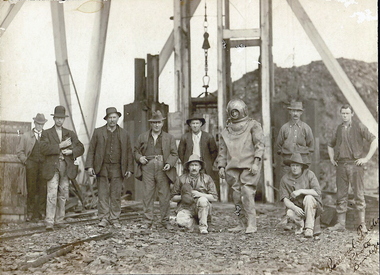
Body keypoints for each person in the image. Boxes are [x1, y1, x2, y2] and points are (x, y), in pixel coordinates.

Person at [327, 104, 377, 233]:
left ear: (352, 114)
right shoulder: (338, 129)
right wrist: (332, 158)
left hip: (355, 165)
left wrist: (366, 158)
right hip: (341, 165)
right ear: (340, 114)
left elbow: (374, 140)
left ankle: (362, 225)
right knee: (341, 195)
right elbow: (330, 145)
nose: (345, 115)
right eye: (343, 113)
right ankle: (340, 224)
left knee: (359, 195)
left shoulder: (359, 127)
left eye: (347, 113)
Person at [217, 99, 264, 234]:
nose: (234, 113)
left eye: (237, 111)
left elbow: (259, 145)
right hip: (232, 167)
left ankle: (251, 223)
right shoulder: (226, 130)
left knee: (247, 193)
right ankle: (241, 222)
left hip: (249, 165)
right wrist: (221, 166)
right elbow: (222, 150)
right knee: (236, 196)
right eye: (232, 111)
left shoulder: (253, 125)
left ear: (243, 110)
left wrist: (256, 162)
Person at [85, 107, 133, 228]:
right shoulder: (98, 132)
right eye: (110, 117)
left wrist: (129, 169)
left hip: (118, 167)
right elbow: (91, 150)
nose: (112, 120)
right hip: (102, 167)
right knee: (103, 194)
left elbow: (128, 152)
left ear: (117, 118)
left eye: (114, 117)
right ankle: (104, 218)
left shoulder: (124, 134)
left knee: (116, 194)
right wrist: (90, 166)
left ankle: (115, 218)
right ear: (106, 119)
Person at [40, 106, 84, 230]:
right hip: (52, 167)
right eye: (57, 118)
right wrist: (60, 146)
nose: (59, 121)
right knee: (51, 193)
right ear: (54, 118)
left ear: (64, 119)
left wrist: (71, 152)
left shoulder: (70, 133)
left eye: (61, 118)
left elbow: (81, 147)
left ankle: (59, 220)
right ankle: (49, 221)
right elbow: (42, 149)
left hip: (65, 167)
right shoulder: (46, 133)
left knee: (63, 193)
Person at [134, 110, 178, 230]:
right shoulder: (143, 136)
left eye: (158, 122)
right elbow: (135, 151)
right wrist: (140, 158)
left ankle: (165, 221)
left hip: (163, 167)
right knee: (148, 194)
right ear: (151, 124)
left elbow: (174, 154)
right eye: (154, 122)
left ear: (162, 123)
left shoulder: (169, 138)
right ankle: (148, 221)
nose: (156, 125)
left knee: (164, 195)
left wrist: (169, 163)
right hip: (148, 166)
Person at [171, 154, 218, 234]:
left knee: (202, 200)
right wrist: (184, 197)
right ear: (188, 167)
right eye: (192, 165)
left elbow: (214, 197)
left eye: (196, 165)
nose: (194, 168)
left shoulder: (207, 178)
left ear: (200, 167)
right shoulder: (181, 179)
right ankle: (194, 224)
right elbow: (173, 197)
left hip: (202, 207)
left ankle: (203, 227)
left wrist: (200, 194)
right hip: (185, 207)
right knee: (181, 221)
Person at [279, 153, 323, 238]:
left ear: (301, 166)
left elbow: (317, 192)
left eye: (297, 165)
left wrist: (301, 191)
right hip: (298, 208)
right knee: (289, 212)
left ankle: (309, 228)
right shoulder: (285, 179)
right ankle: (300, 224)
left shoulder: (309, 174)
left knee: (308, 197)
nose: (294, 168)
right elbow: (285, 199)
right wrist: (294, 208)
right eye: (292, 165)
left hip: (313, 207)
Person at [16, 113, 48, 222]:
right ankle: (30, 213)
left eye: (42, 124)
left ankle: (41, 213)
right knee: (31, 189)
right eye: (38, 124)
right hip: (31, 166)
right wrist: (26, 161)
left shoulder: (46, 136)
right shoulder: (26, 136)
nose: (40, 126)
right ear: (35, 123)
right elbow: (19, 152)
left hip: (43, 166)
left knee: (43, 189)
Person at [178, 114, 218, 179]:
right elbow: (180, 152)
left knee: (205, 184)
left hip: (204, 166)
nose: (195, 125)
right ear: (190, 125)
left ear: (201, 124)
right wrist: (186, 163)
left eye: (197, 123)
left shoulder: (208, 137)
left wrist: (208, 162)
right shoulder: (185, 137)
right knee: (189, 185)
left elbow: (214, 152)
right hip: (190, 166)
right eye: (193, 123)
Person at [276, 101, 314, 169]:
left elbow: (311, 147)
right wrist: (286, 156)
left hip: (302, 162)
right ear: (290, 112)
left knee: (302, 179)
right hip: (287, 162)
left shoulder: (306, 128)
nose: (295, 114)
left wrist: (304, 159)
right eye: (293, 111)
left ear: (301, 113)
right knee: (287, 179)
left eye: (298, 111)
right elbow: (278, 146)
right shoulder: (284, 128)